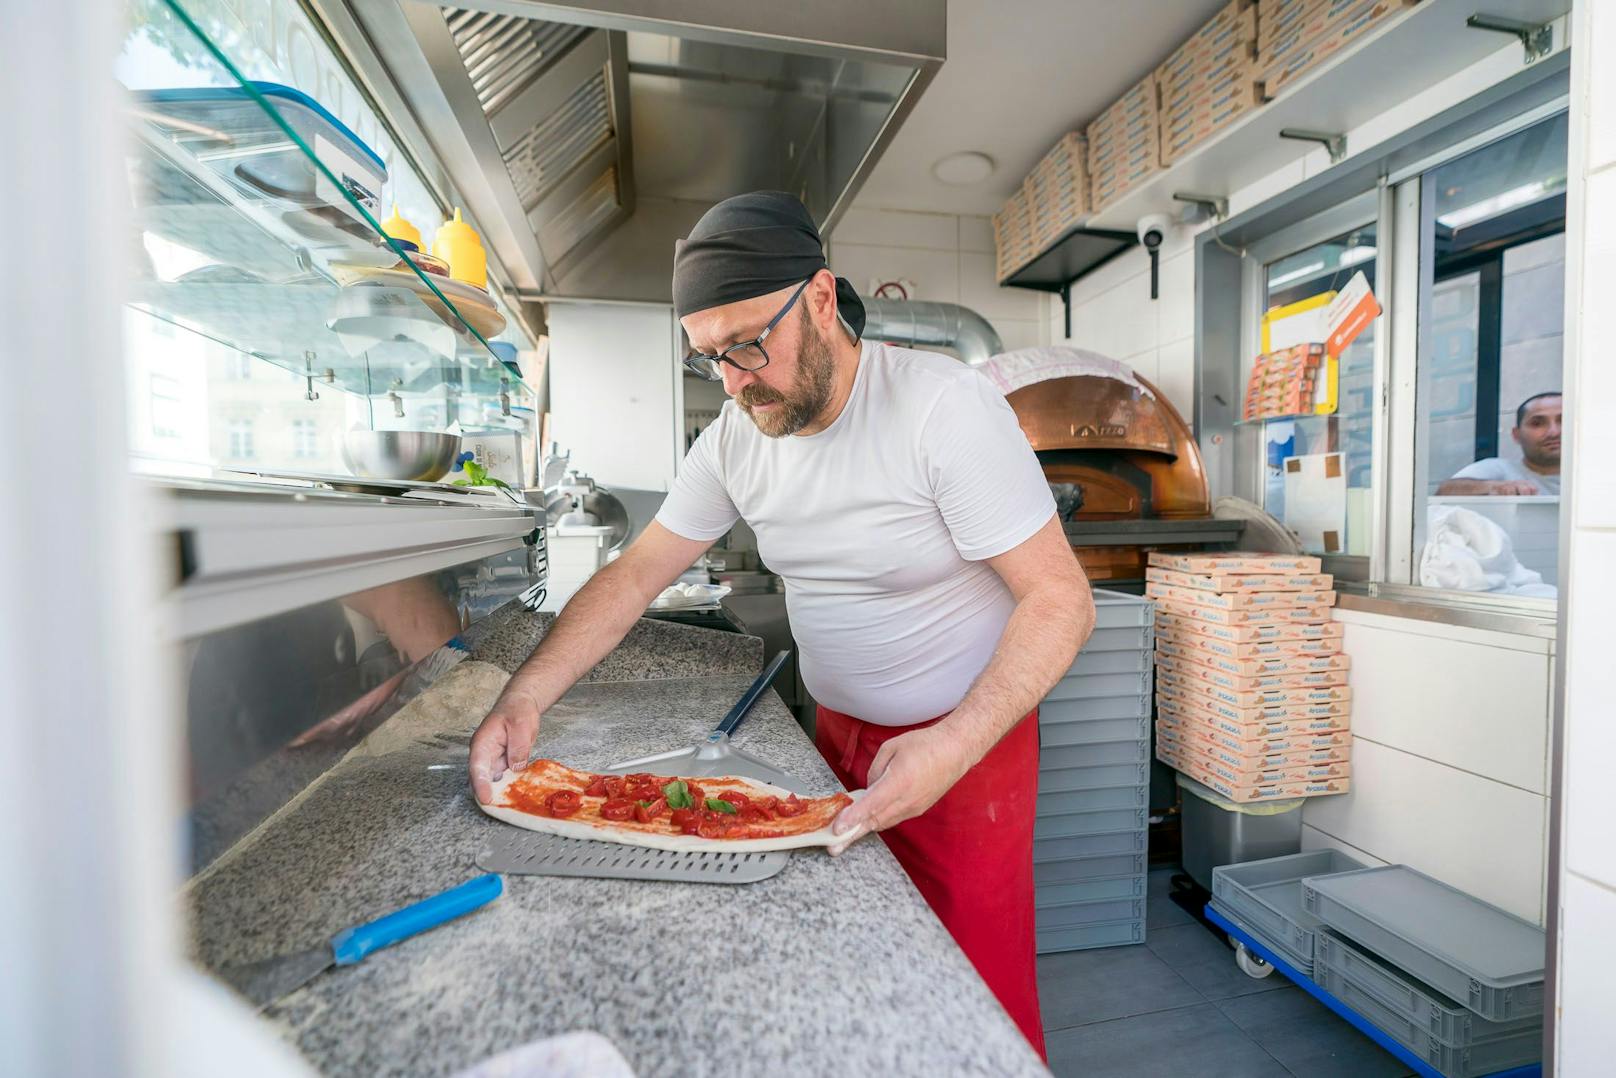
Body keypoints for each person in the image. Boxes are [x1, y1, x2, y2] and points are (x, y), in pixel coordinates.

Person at [467, 191, 1093, 1057]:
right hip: (832, 741)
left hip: (967, 755)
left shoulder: (943, 410)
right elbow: (637, 574)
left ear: (824, 300)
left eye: (749, 344)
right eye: (709, 358)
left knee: (972, 1009)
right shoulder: (735, 437)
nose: (732, 380)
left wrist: (951, 743)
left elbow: (1062, 600)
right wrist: (525, 693)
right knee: (850, 978)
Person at [1437, 392, 1562, 495]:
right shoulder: (1500, 469)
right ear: (1516, 435)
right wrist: (1493, 487)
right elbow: (1445, 490)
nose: (1553, 432)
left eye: (1563, 420)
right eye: (1537, 423)